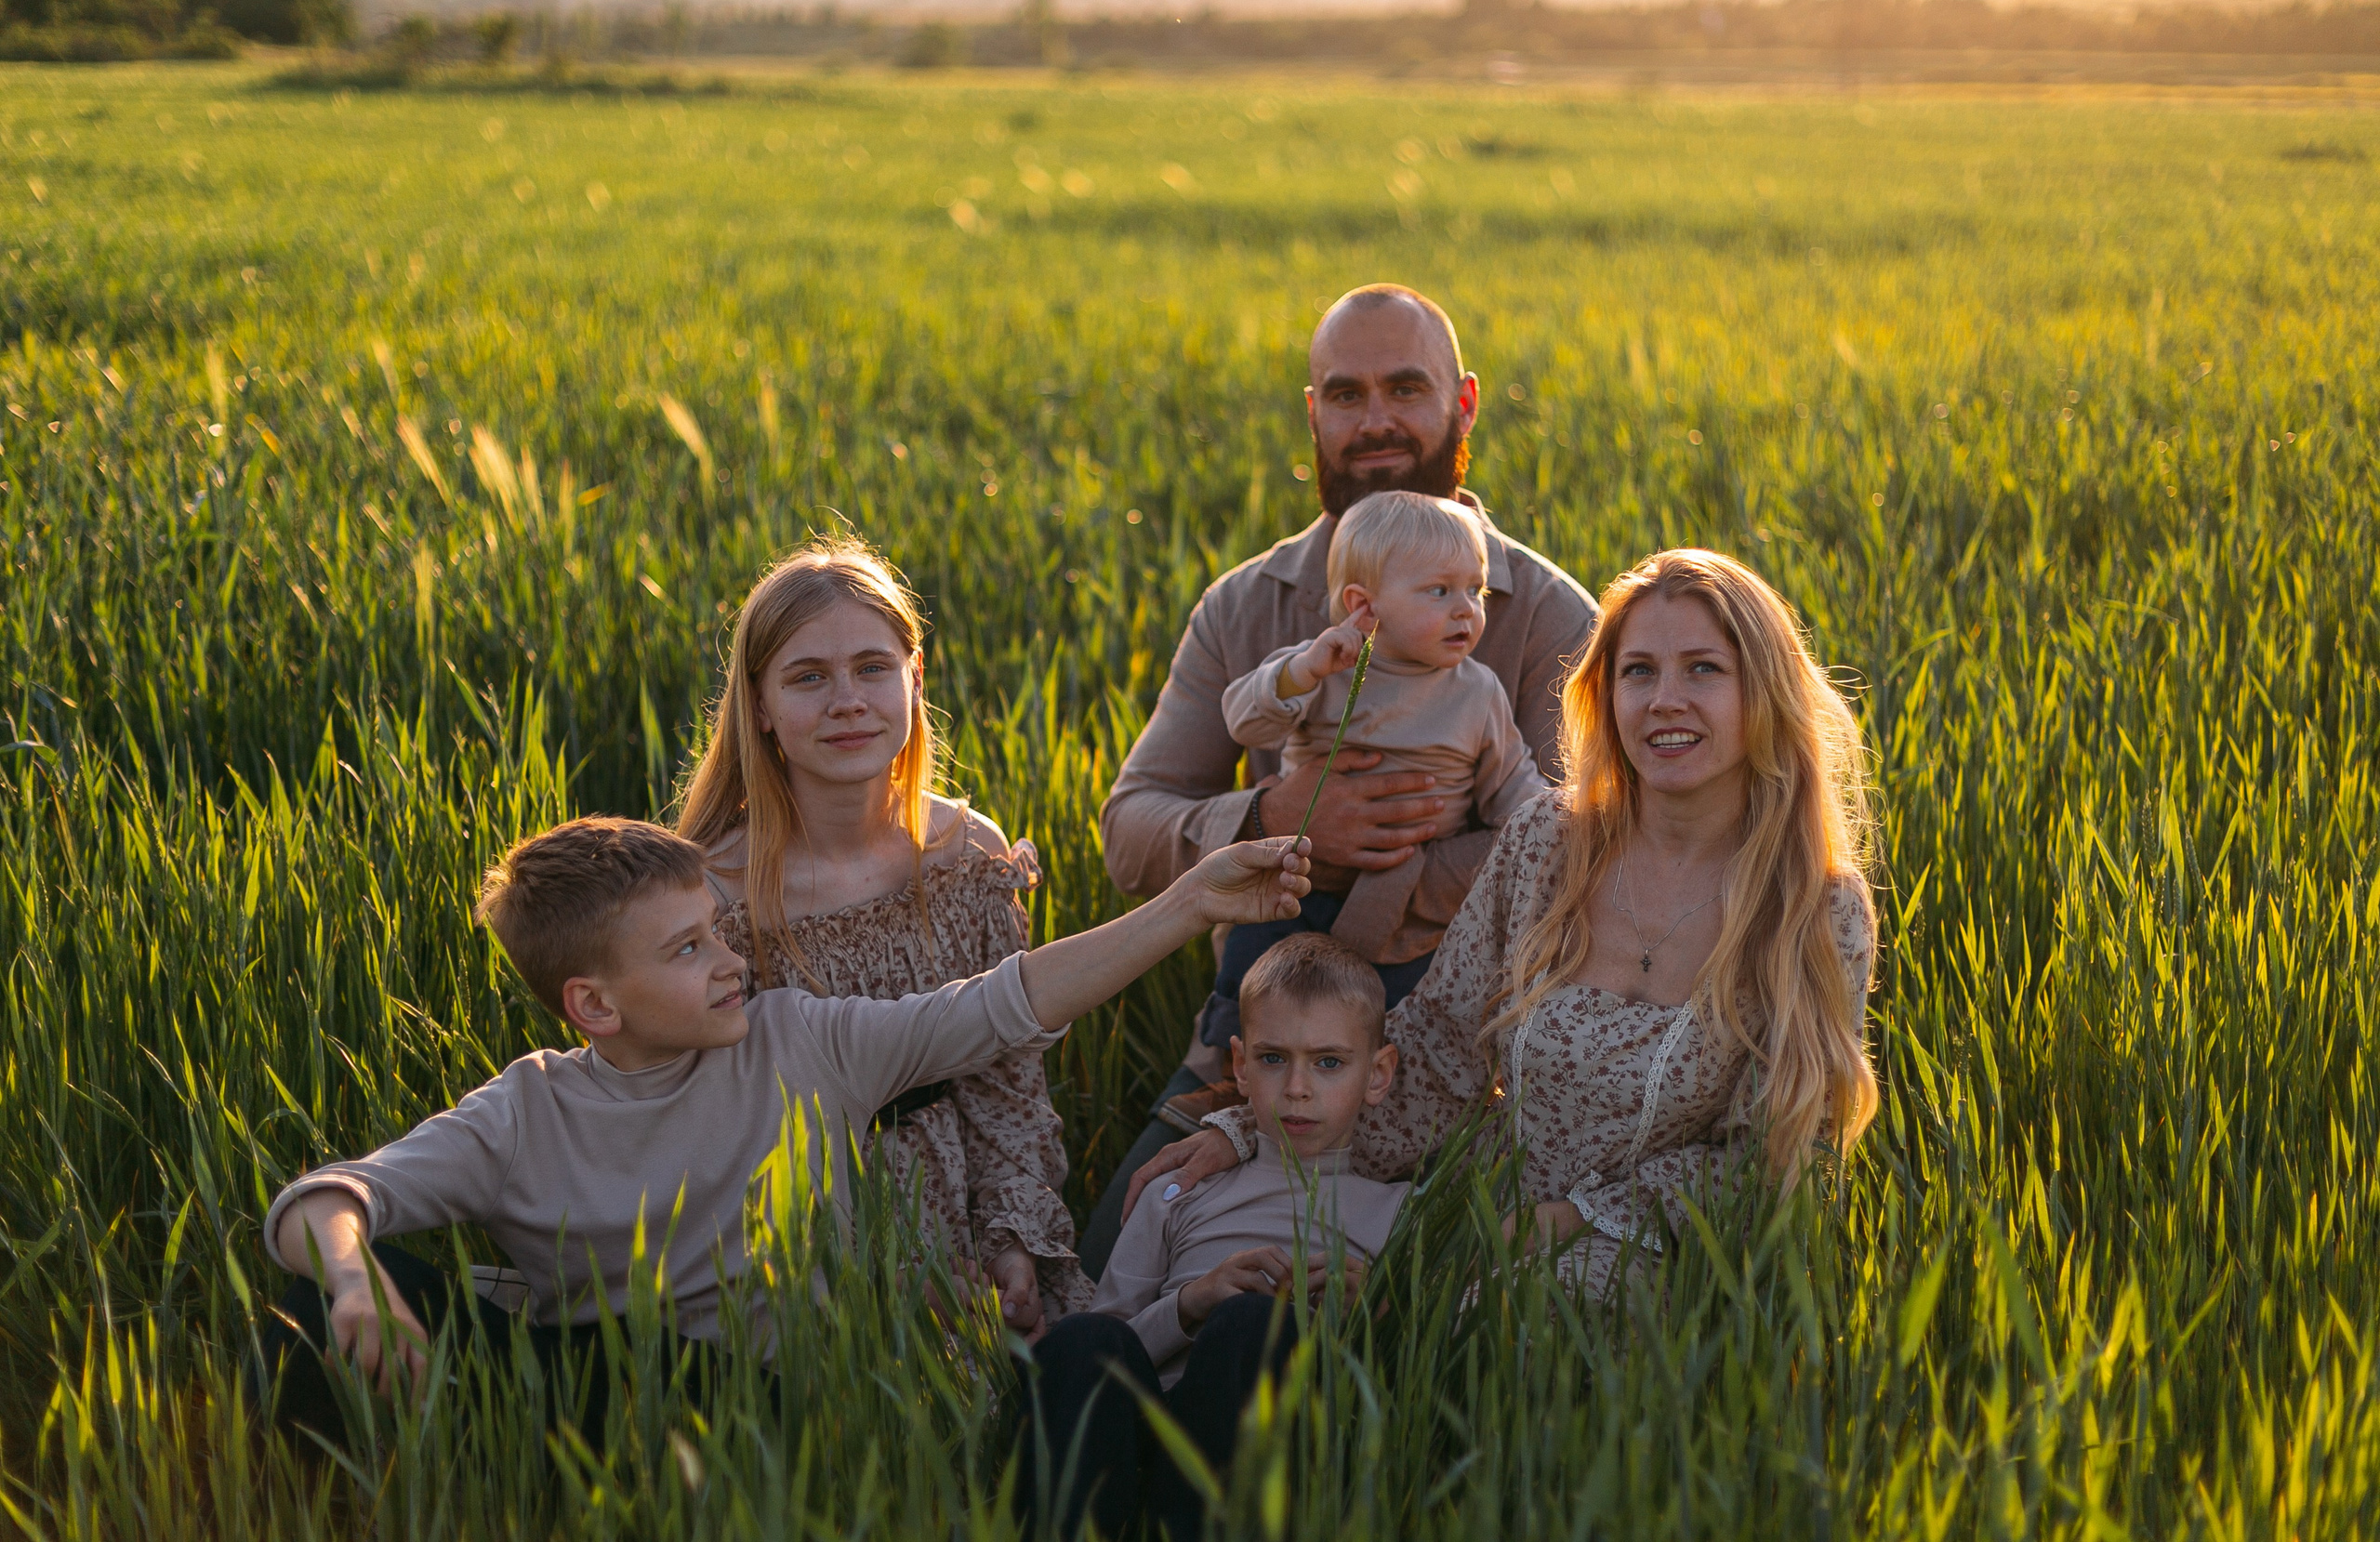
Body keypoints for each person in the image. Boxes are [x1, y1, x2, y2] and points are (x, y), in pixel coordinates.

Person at [257, 815, 1310, 1436]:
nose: (728, 960)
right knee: (312, 1305)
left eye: (716, 932)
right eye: (685, 950)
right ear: (594, 1006)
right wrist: (356, 1284)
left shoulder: (797, 1039)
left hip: (786, 1405)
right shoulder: (526, 1109)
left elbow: (1004, 1001)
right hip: (608, 1397)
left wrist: (1187, 905)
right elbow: (328, 1198)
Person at [1129, 549, 1880, 1295]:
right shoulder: (1545, 841)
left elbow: (1777, 1154)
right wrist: (1251, 1136)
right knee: (1267, 1294)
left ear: (1767, 690)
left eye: (1704, 669)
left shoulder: (1815, 908)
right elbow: (1437, 1050)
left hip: (1650, 1257)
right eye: (1639, 670)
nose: (1664, 700)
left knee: (1503, 1333)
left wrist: (1565, 1220)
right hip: (1471, 1219)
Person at [1088, 283, 1598, 1274]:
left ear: (1464, 404)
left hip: (1465, 1044)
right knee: (1121, 1246)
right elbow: (1131, 830)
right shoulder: (1249, 605)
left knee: (1442, 1301)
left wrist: (1387, 873)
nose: (1374, 423)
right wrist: (1274, 819)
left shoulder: (1542, 615)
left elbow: (1578, 846)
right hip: (1261, 1049)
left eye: (1405, 389)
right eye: (1344, 393)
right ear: (1311, 413)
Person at [676, 538, 1088, 1337]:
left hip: (970, 1228)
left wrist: (1010, 1242)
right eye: (807, 677)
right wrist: (874, 1277)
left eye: (872, 667)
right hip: (799, 1259)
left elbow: (1009, 1092)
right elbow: (714, 1133)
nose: (847, 700)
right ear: (758, 705)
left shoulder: (968, 855)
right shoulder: (712, 892)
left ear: (915, 677)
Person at [1017, 933, 1406, 1540]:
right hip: (1148, 1424)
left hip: (1284, 1428)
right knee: (1080, 1336)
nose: (1298, 1087)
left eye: (1328, 1061)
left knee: (1255, 1322)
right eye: (1273, 1058)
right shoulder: (1181, 1189)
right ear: (1239, 1065)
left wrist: (1375, 1308)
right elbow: (1111, 1333)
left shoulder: (1397, 1209)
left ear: (1378, 1073)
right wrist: (1192, 1302)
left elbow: (1410, 1375)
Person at [1210, 489, 1543, 1039]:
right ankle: (1240, 1066)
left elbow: (1511, 784)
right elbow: (1246, 722)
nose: (1466, 608)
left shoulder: (1477, 691)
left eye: (1475, 589)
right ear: (1364, 604)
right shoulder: (1328, 668)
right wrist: (1300, 672)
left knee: (1397, 1016)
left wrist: (1558, 822)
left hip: (1409, 910)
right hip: (1297, 884)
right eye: (1439, 591)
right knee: (1260, 986)